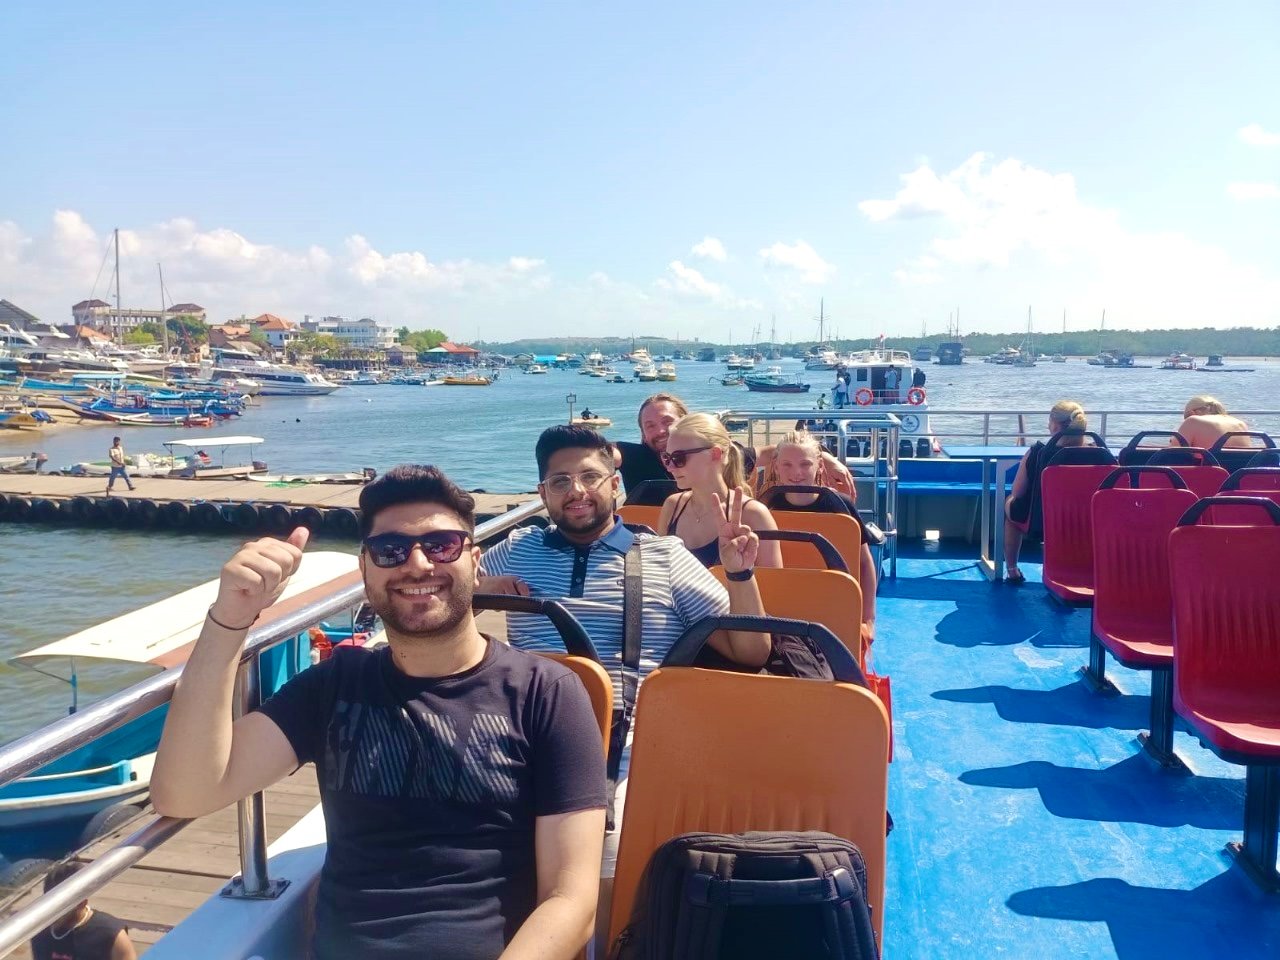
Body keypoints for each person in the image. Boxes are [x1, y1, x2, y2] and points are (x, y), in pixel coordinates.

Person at [151, 465, 606, 960]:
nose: (417, 564)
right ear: (366, 571)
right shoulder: (333, 685)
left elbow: (571, 899)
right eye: (390, 550)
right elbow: (187, 792)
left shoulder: (546, 692)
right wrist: (230, 620)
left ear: (475, 563)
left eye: (442, 545)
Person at [477, 425, 771, 945]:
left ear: (616, 484)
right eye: (560, 481)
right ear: (543, 492)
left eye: (590, 477)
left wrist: (739, 576)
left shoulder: (667, 557)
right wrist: (479, 588)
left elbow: (751, 651)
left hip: (624, 740)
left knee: (603, 858)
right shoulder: (518, 550)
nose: (576, 491)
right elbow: (439, 591)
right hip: (517, 732)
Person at [767, 429, 878, 647]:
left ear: (819, 464)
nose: (796, 472)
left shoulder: (840, 506)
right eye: (787, 464)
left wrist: (868, 619)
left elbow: (864, 563)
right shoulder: (765, 508)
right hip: (782, 607)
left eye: (805, 464)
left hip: (832, 603)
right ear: (776, 466)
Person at [656, 413, 783, 570]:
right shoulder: (672, 506)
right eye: (666, 457)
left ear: (715, 454)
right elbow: (659, 572)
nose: (670, 467)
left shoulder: (754, 514)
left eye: (678, 458)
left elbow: (773, 582)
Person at [1004, 400, 1087, 584]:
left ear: (1055, 425)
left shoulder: (1037, 453)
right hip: (1085, 523)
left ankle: (1012, 570)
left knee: (1011, 505)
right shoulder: (1098, 454)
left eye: (1049, 421)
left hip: (1041, 522)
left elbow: (1018, 492)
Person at [30, 860, 136, 960]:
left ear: (81, 903)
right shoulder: (39, 932)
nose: (52, 911)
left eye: (60, 906)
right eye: (49, 903)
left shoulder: (111, 935)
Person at [613, 393, 688, 500]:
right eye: (650, 426)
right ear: (644, 434)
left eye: (667, 422)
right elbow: (598, 452)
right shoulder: (635, 457)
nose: (660, 431)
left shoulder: (704, 456)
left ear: (686, 422)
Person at [1174, 395, 1250, 449]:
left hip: (1208, 467)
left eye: (1186, 416)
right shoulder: (1241, 424)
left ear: (1192, 413)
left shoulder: (1193, 420)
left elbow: (1173, 452)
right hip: (1238, 466)